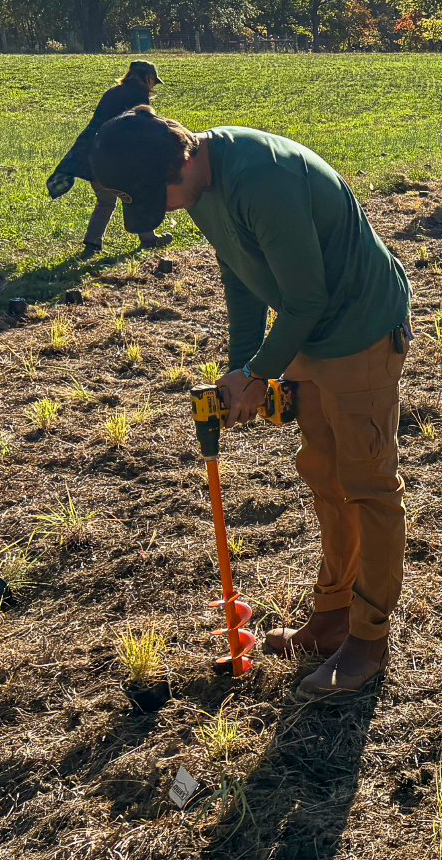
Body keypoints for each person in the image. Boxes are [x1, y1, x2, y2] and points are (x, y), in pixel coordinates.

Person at [88, 108, 414, 700]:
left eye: (159, 195)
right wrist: (243, 364)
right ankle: (333, 614)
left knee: (368, 485)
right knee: (325, 475)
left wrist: (261, 372)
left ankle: (369, 639)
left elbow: (307, 296)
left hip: (358, 327)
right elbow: (239, 272)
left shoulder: (264, 180)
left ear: (181, 158)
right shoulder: (200, 185)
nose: (166, 209)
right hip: (307, 331)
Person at [46, 59, 173, 256]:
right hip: (114, 158)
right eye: (153, 82)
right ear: (147, 78)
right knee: (136, 194)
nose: (153, 86)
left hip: (93, 155)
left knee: (106, 201)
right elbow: (139, 129)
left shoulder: (112, 92)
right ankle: (148, 238)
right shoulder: (139, 96)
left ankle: (92, 243)